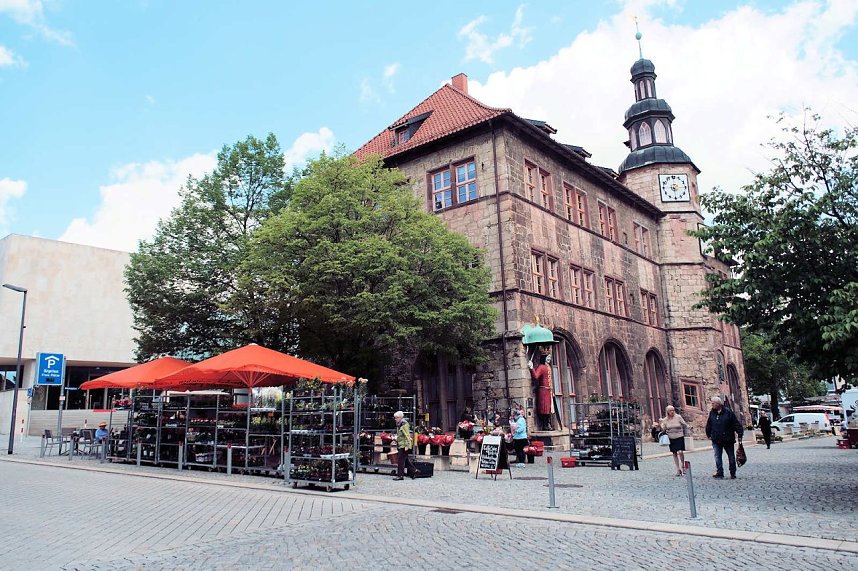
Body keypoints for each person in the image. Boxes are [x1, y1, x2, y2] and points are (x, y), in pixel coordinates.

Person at [705, 396, 743, 479]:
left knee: (731, 456)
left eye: (713, 403)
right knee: (717, 456)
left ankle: (732, 472)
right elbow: (709, 424)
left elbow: (735, 424)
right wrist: (708, 434)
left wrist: (740, 434)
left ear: (718, 404)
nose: (712, 404)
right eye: (712, 403)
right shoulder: (712, 413)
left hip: (727, 439)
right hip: (716, 438)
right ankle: (720, 472)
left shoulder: (728, 412)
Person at [528, 349, 553, 431]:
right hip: (543, 391)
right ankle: (544, 425)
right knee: (544, 408)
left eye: (550, 357)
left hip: (548, 391)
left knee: (548, 409)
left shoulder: (548, 367)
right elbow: (536, 376)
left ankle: (548, 424)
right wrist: (531, 368)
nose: (549, 359)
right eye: (548, 357)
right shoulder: (541, 367)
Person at [659, 406, 688, 476]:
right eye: (670, 410)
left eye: (673, 410)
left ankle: (683, 466)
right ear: (667, 412)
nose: (672, 412)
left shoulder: (678, 417)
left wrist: (689, 427)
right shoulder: (665, 420)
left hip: (679, 436)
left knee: (680, 452)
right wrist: (660, 424)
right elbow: (664, 429)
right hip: (671, 437)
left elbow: (684, 424)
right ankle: (678, 469)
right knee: (674, 453)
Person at [392, 411, 419, 480]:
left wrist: (407, 446)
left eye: (396, 418)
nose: (395, 419)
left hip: (404, 445)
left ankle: (400, 475)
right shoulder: (400, 424)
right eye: (395, 418)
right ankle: (415, 471)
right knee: (405, 460)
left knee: (401, 461)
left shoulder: (404, 425)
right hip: (401, 444)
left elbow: (407, 435)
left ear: (400, 417)